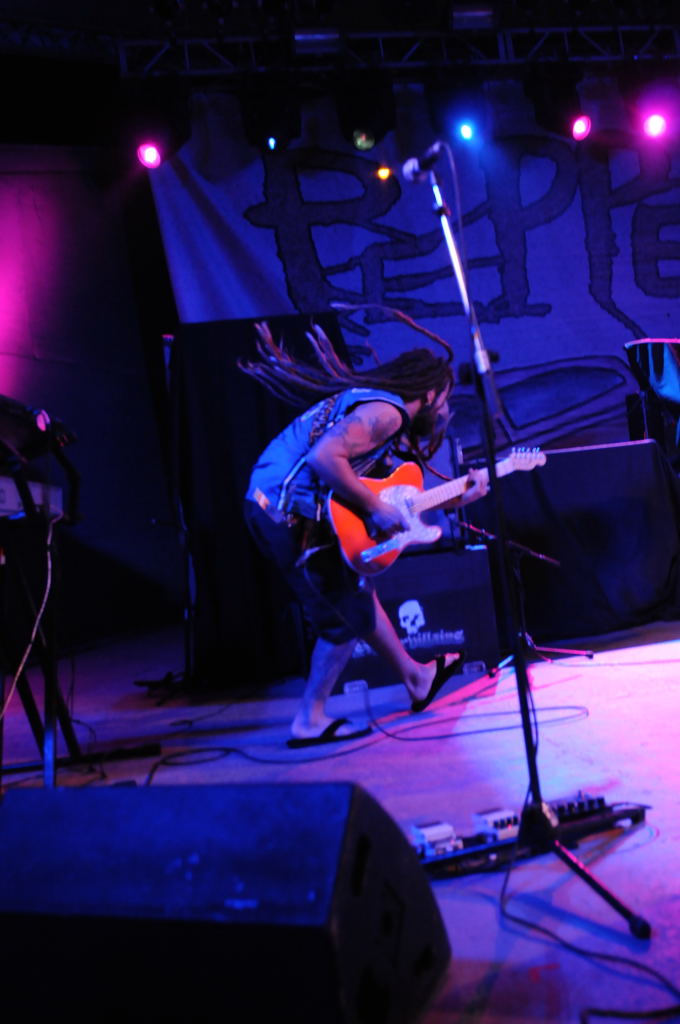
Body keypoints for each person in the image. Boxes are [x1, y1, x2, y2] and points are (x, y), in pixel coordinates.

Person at [240, 321, 489, 747]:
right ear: (429, 394)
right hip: (284, 510)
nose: (446, 410)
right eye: (445, 399)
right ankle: (309, 721)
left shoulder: (378, 408)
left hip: (280, 505)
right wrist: (374, 508)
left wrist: (459, 495)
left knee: (357, 590)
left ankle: (416, 677)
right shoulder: (387, 413)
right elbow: (324, 458)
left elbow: (396, 498)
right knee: (343, 617)